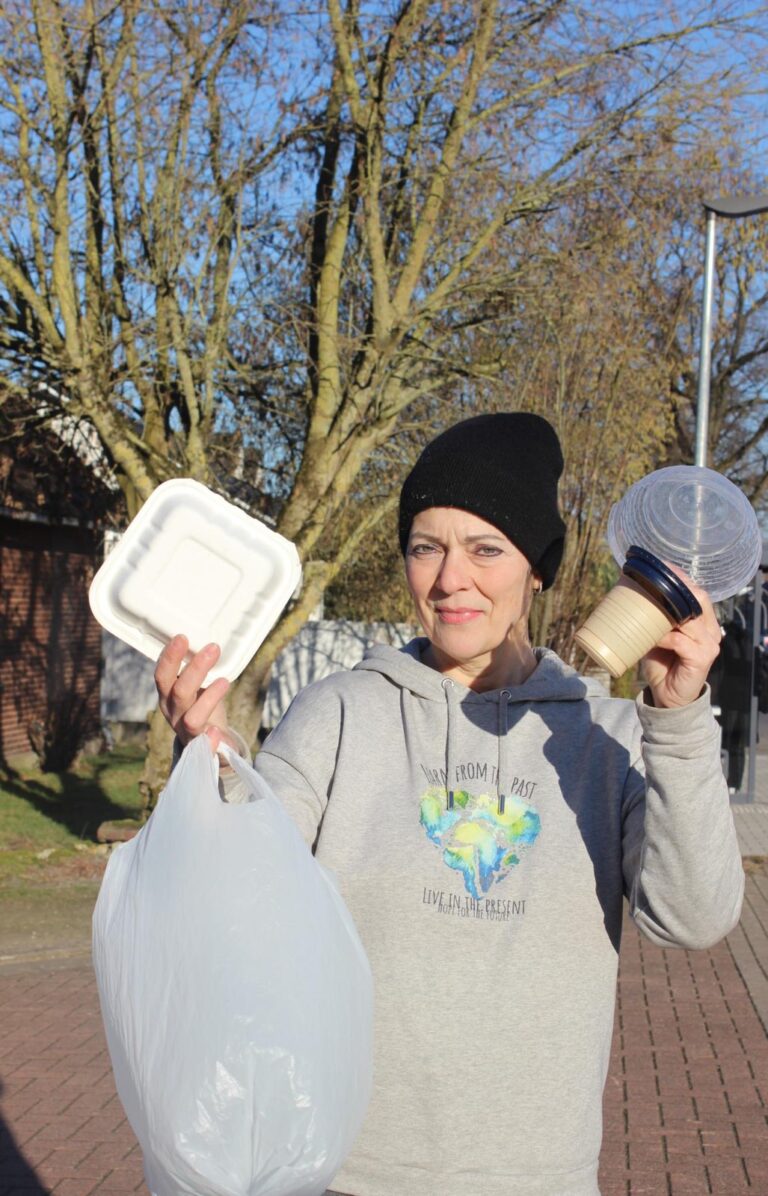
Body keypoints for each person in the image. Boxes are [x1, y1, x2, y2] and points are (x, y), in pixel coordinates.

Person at [155, 412, 744, 1196]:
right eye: (426, 546)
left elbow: (695, 916)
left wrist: (676, 720)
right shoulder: (340, 714)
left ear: (537, 569)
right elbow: (233, 894)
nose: (449, 579)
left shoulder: (608, 741)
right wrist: (208, 760)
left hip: (542, 1179)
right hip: (345, 1173)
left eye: (486, 549)